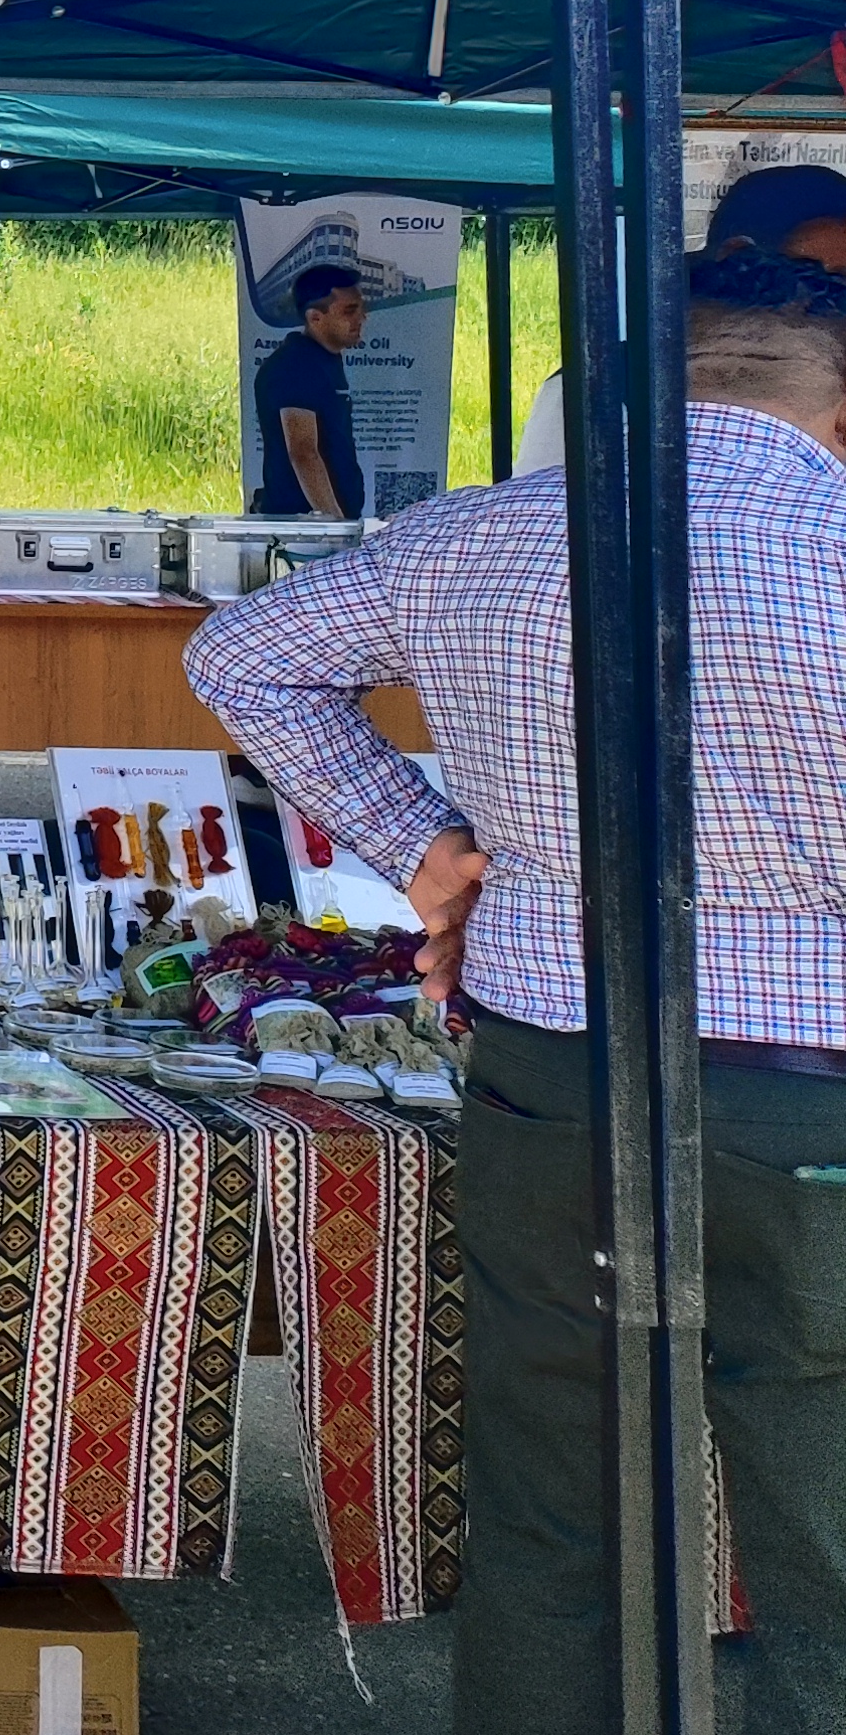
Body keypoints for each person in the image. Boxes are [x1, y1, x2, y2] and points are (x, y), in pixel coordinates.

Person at [186, 248, 846, 1732]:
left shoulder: (480, 533)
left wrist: (429, 849)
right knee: (829, 1526)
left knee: (559, 1506)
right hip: (810, 1097)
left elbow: (243, 653)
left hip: (554, 1070)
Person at [515, 164, 846, 475]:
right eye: (818, 274)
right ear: (738, 259)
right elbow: (553, 505)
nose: (838, 297)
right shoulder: (606, 383)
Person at [249, 263, 368, 518]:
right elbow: (303, 451)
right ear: (315, 318)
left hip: (322, 524)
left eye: (361, 308)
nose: (362, 317)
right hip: (307, 529)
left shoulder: (323, 359)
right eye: (350, 310)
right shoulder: (297, 365)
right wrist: (334, 524)